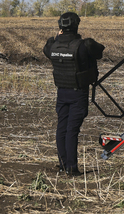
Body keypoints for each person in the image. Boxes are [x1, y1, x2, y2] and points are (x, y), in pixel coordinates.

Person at [43, 12, 104, 176]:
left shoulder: (53, 46)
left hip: (62, 92)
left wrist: (57, 37)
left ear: (60, 27)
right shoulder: (84, 45)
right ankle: (71, 167)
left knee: (61, 128)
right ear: (76, 25)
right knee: (72, 130)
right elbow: (99, 51)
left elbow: (47, 47)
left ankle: (63, 164)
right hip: (78, 93)